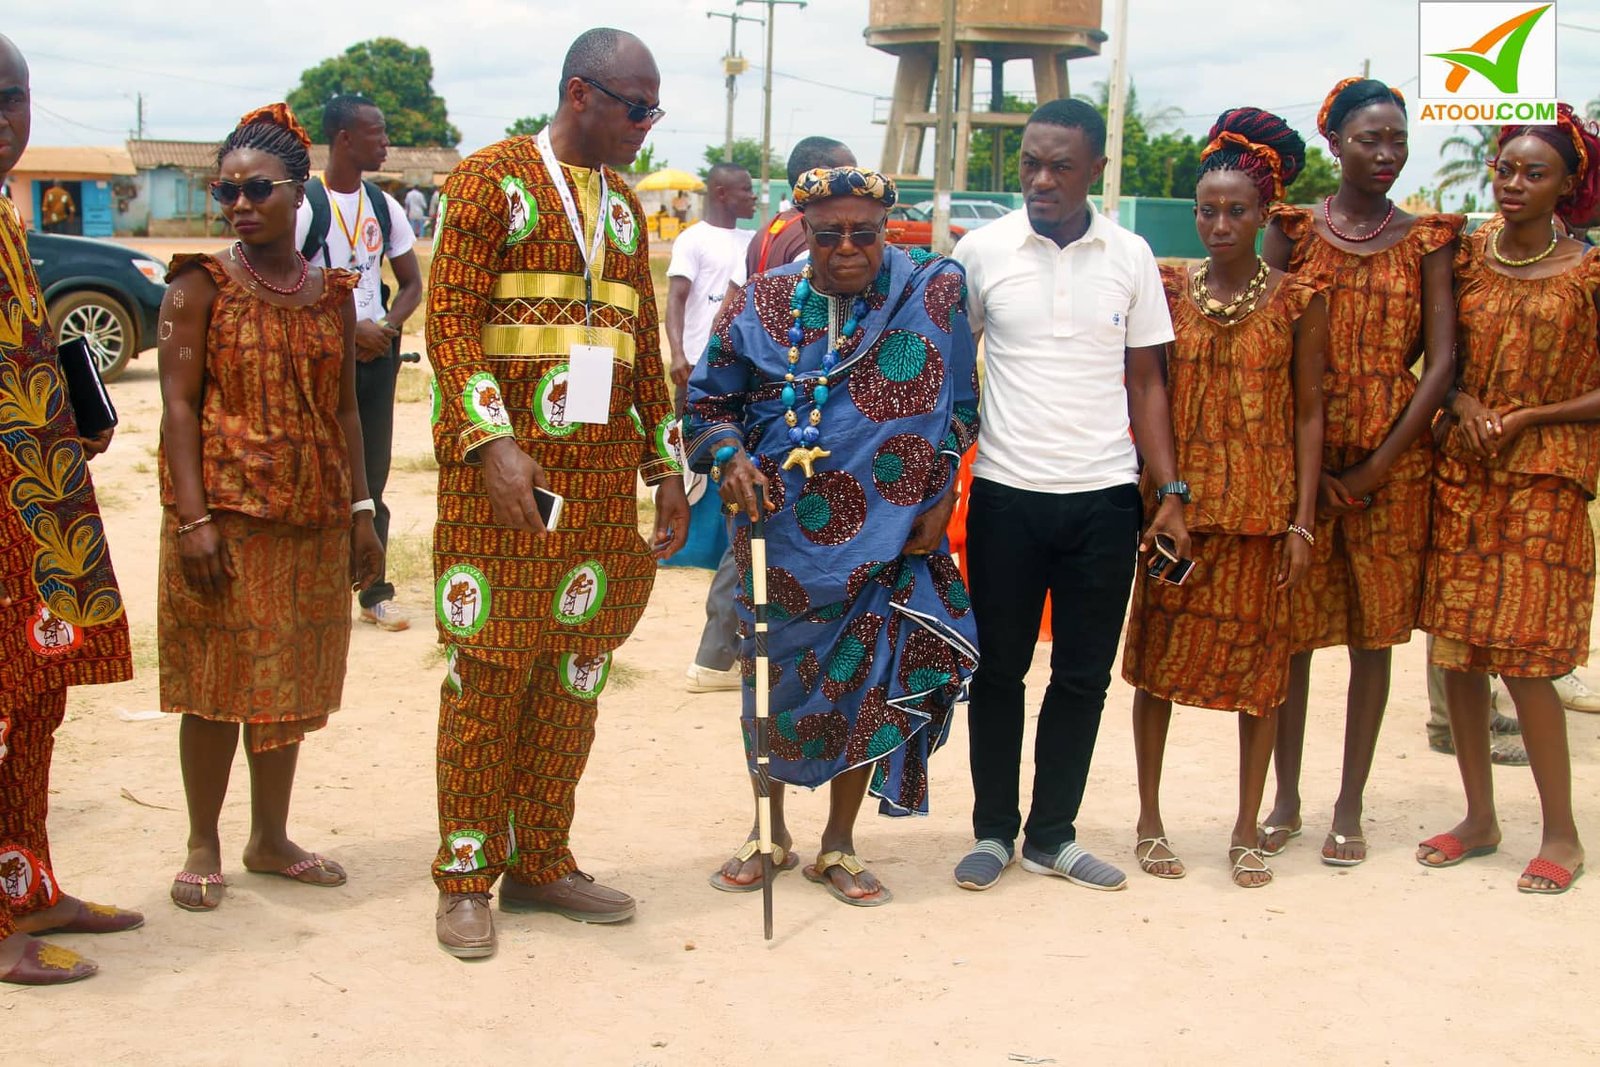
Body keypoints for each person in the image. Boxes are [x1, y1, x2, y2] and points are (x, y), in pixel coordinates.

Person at [426, 27, 688, 959]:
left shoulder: (624, 206)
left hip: (600, 490)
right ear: (581, 93)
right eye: (636, 108)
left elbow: (639, 343)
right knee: (490, 673)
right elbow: (448, 323)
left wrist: (666, 466)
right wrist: (492, 443)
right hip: (506, 487)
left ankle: (540, 858)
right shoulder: (488, 180)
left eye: (654, 110)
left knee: (574, 674)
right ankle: (466, 876)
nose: (646, 127)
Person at [687, 165, 980, 904]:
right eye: (828, 235)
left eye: (864, 232)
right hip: (777, 533)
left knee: (866, 684)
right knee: (768, 683)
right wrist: (728, 457)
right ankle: (768, 831)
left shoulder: (930, 294)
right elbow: (707, 404)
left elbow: (961, 407)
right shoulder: (759, 302)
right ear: (803, 232)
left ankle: (840, 843)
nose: (847, 247)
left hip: (887, 531)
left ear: (887, 229)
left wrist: (941, 493)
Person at [951, 98, 1184, 892]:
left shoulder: (1131, 255)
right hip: (1005, 495)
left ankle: (1053, 835)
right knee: (998, 671)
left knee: (1083, 676)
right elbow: (954, 371)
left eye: (1060, 166)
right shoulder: (982, 252)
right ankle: (993, 831)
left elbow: (1147, 382)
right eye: (1030, 164)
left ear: (1095, 171)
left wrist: (1169, 489)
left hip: (1105, 499)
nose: (1041, 180)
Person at [157, 103, 385, 913]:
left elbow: (347, 410)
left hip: (312, 519)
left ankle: (270, 837)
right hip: (223, 520)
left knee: (289, 681)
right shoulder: (198, 284)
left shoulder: (332, 295)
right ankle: (203, 840)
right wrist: (193, 520)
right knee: (215, 681)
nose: (240, 204)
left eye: (258, 189)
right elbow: (178, 408)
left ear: (298, 191)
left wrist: (363, 512)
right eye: (227, 191)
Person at [1258, 78, 1462, 866]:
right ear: (1335, 142)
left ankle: (1349, 804)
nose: (1385, 154)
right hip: (1301, 463)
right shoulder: (1294, 231)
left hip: (1394, 469)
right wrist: (1305, 473)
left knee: (1373, 639)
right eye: (1369, 139)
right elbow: (1265, 342)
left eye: (1396, 139)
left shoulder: (1427, 239)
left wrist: (1378, 466)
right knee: (1294, 637)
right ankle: (1285, 798)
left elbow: (1439, 362)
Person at [1122, 109, 1326, 888]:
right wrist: (1165, 494)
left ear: (1265, 213)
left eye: (1237, 211)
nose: (1219, 225)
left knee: (1261, 679)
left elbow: (1309, 414)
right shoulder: (1169, 289)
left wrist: (1302, 522)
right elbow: (1149, 390)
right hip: (1179, 517)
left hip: (1263, 518)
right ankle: (1149, 818)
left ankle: (1246, 826)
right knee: (1158, 669)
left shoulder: (1301, 301)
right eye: (1207, 210)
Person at [1417, 104, 1600, 895]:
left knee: (1528, 660)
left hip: (1546, 481)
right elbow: (1439, 361)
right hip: (1465, 475)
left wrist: (1530, 415)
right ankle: (1479, 818)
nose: (1514, 183)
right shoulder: (1465, 256)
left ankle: (1562, 834)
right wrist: (1461, 405)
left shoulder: (1589, 270)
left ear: (1567, 185)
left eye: (1535, 173)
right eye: (1506, 169)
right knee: (1458, 654)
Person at [0, 32, 142, 987]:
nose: (3, 118)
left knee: (35, 704)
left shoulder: (9, 215)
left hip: (39, 505)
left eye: (12, 97)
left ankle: (28, 884)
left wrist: (66, 411)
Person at [689, 138, 857, 696]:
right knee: (759, 536)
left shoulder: (767, 232)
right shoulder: (806, 240)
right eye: (843, 176)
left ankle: (720, 655)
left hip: (779, 415)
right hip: (782, 415)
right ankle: (725, 657)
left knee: (750, 535)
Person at [296, 94, 423, 633]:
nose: (386, 143)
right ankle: (315, 592)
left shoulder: (383, 206)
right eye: (377, 133)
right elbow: (285, 283)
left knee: (372, 474)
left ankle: (374, 592)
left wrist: (386, 327)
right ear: (345, 138)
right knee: (318, 474)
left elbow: (411, 283)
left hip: (375, 359)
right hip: (322, 358)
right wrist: (347, 331)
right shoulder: (305, 206)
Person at [665, 162, 755, 686]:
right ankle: (682, 546)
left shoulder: (754, 240)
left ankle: (712, 552)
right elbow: (677, 299)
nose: (752, 196)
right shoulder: (693, 239)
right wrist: (678, 353)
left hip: (734, 373)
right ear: (722, 191)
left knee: (728, 473)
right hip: (698, 369)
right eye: (745, 188)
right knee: (693, 468)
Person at [746, 136, 856, 278]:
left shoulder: (767, 229)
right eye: (851, 176)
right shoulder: (817, 235)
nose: (859, 185)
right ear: (820, 176)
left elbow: (734, 289)